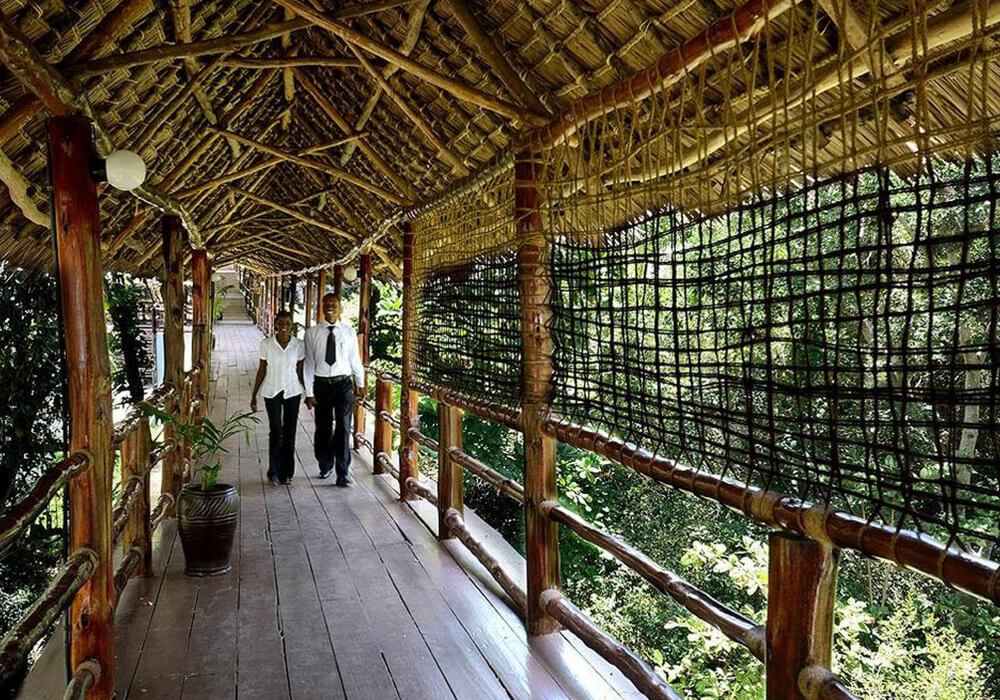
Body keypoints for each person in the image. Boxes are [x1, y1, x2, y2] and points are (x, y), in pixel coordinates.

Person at [304, 294, 364, 486]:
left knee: (344, 428)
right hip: (321, 385)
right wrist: (309, 392)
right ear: (321, 308)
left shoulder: (348, 332)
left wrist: (360, 383)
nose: (330, 308)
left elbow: (355, 359)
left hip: (343, 385)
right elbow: (309, 364)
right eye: (327, 305)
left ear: (340, 309)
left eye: (334, 305)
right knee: (322, 428)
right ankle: (325, 463)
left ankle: (343, 471)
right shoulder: (312, 333)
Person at [250, 311, 305, 485]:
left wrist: (309, 393)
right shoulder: (266, 344)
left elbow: (301, 371)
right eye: (280, 322)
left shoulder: (298, 345)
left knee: (289, 432)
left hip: (292, 391)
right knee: (276, 431)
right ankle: (273, 471)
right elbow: (262, 369)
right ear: (275, 324)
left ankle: (286, 472)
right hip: (271, 391)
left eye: (287, 323)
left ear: (292, 326)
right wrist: (254, 395)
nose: (284, 326)